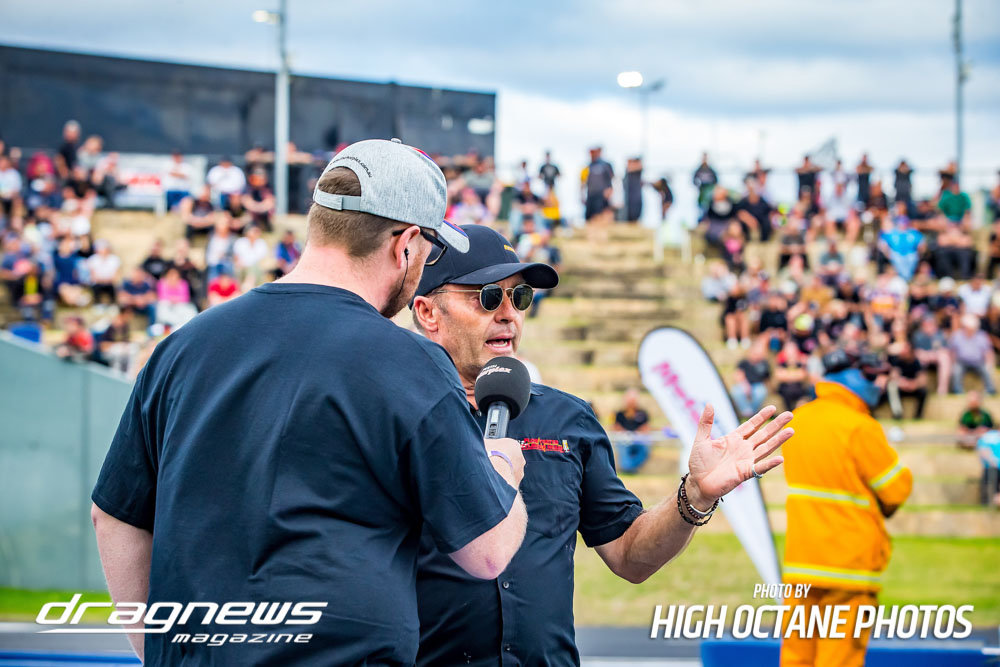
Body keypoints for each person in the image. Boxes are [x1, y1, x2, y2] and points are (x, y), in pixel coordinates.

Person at [91, 139, 528, 665]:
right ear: (406, 244)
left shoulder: (182, 347)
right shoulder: (410, 363)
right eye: (429, 249)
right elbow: (487, 552)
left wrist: (160, 650)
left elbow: (114, 515)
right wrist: (502, 465)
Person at [408, 224, 793, 666]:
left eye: (521, 297)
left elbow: (630, 555)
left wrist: (696, 494)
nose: (509, 313)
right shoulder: (393, 418)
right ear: (428, 312)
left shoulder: (568, 419)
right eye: (488, 297)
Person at [781, 351, 912, 667]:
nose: (879, 384)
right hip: (848, 567)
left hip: (801, 562)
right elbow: (895, 489)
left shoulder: (798, 420)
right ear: (852, 377)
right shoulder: (860, 426)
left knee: (797, 656)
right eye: (873, 376)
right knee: (839, 658)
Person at [950, 313, 997, 395]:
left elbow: (988, 352)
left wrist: (989, 364)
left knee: (986, 370)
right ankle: (957, 390)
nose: (970, 329)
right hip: (961, 362)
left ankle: (990, 390)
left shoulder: (982, 336)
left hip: (978, 362)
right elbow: (952, 352)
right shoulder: (957, 335)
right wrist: (952, 363)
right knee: (956, 370)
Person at [612, 387, 652, 473]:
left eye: (633, 401)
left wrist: (638, 433)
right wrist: (624, 433)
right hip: (623, 439)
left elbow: (646, 427)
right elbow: (616, 427)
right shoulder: (620, 413)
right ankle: (627, 468)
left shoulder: (642, 413)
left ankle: (630, 467)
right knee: (623, 449)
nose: (631, 403)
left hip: (638, 440)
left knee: (645, 450)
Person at [582, 146, 614, 223]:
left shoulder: (605, 165)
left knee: (600, 215)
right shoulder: (588, 166)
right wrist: (582, 195)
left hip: (601, 195)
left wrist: (609, 191)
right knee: (589, 216)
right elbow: (583, 182)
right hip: (590, 195)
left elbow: (611, 178)